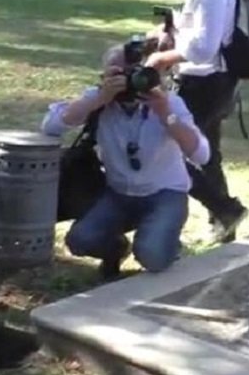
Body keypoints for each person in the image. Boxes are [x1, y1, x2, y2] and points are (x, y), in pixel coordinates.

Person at [43, 44, 211, 280]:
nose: (127, 82)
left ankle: (166, 243)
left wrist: (165, 114)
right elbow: (51, 125)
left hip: (165, 194)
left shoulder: (167, 103)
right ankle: (117, 249)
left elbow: (201, 154)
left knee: (152, 256)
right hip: (119, 195)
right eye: (118, 74)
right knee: (80, 241)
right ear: (105, 76)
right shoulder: (100, 101)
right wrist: (100, 98)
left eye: (133, 73)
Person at [143, 0, 248, 244]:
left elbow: (203, 47)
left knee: (171, 149)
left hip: (205, 81)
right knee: (207, 153)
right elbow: (205, 30)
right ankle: (223, 222)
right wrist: (173, 27)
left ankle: (225, 208)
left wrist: (161, 57)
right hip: (218, 81)